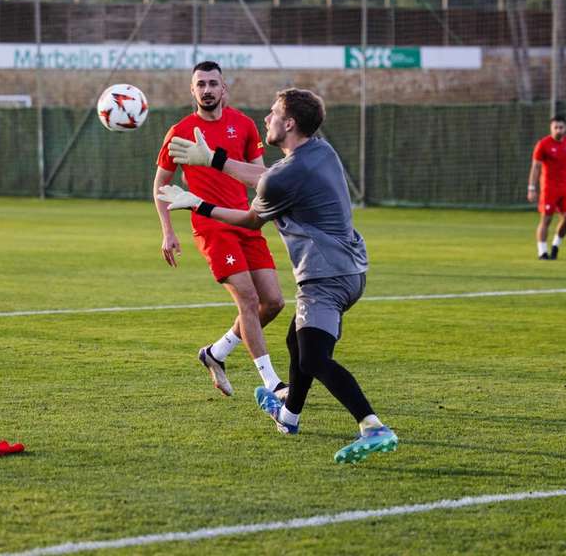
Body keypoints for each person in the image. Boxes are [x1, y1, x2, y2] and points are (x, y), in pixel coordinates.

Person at [160, 88, 397, 464]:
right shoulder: (321, 150)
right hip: (352, 271)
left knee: (315, 359)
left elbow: (252, 217)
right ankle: (288, 416)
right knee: (297, 343)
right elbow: (267, 175)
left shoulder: (284, 176)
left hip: (323, 277)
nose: (266, 119)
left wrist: (199, 202)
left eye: (273, 113)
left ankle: (372, 426)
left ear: (289, 124)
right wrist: (215, 160)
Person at [153, 61, 287, 399]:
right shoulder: (179, 131)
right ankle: (273, 383)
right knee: (248, 298)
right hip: (211, 226)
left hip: (245, 220)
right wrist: (167, 230)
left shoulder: (243, 125)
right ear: (192, 90)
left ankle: (216, 352)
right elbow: (160, 184)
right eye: (201, 84)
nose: (208, 90)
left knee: (273, 302)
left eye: (214, 83)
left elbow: (259, 176)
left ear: (224, 88)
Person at [527, 115, 566, 260]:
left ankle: (556, 246)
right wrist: (531, 188)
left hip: (564, 188)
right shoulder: (543, 144)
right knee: (546, 219)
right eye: (556, 127)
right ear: (551, 128)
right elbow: (535, 167)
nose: (559, 130)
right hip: (548, 189)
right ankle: (542, 252)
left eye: (561, 127)